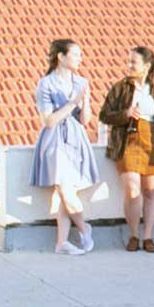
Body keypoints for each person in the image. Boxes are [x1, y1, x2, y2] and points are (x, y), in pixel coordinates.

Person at [99, 46, 154, 253]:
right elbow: (104, 115)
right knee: (132, 189)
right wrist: (126, 113)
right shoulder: (120, 88)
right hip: (127, 140)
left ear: (147, 66)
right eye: (129, 61)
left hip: (151, 140)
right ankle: (133, 235)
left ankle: (148, 237)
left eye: (133, 62)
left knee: (150, 190)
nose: (129, 65)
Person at [32, 38, 100, 256]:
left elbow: (84, 120)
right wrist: (72, 102)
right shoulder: (46, 84)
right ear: (61, 57)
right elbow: (48, 121)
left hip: (76, 138)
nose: (80, 58)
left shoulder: (81, 82)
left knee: (66, 190)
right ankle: (84, 228)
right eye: (75, 54)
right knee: (62, 185)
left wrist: (86, 100)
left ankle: (61, 242)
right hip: (54, 140)